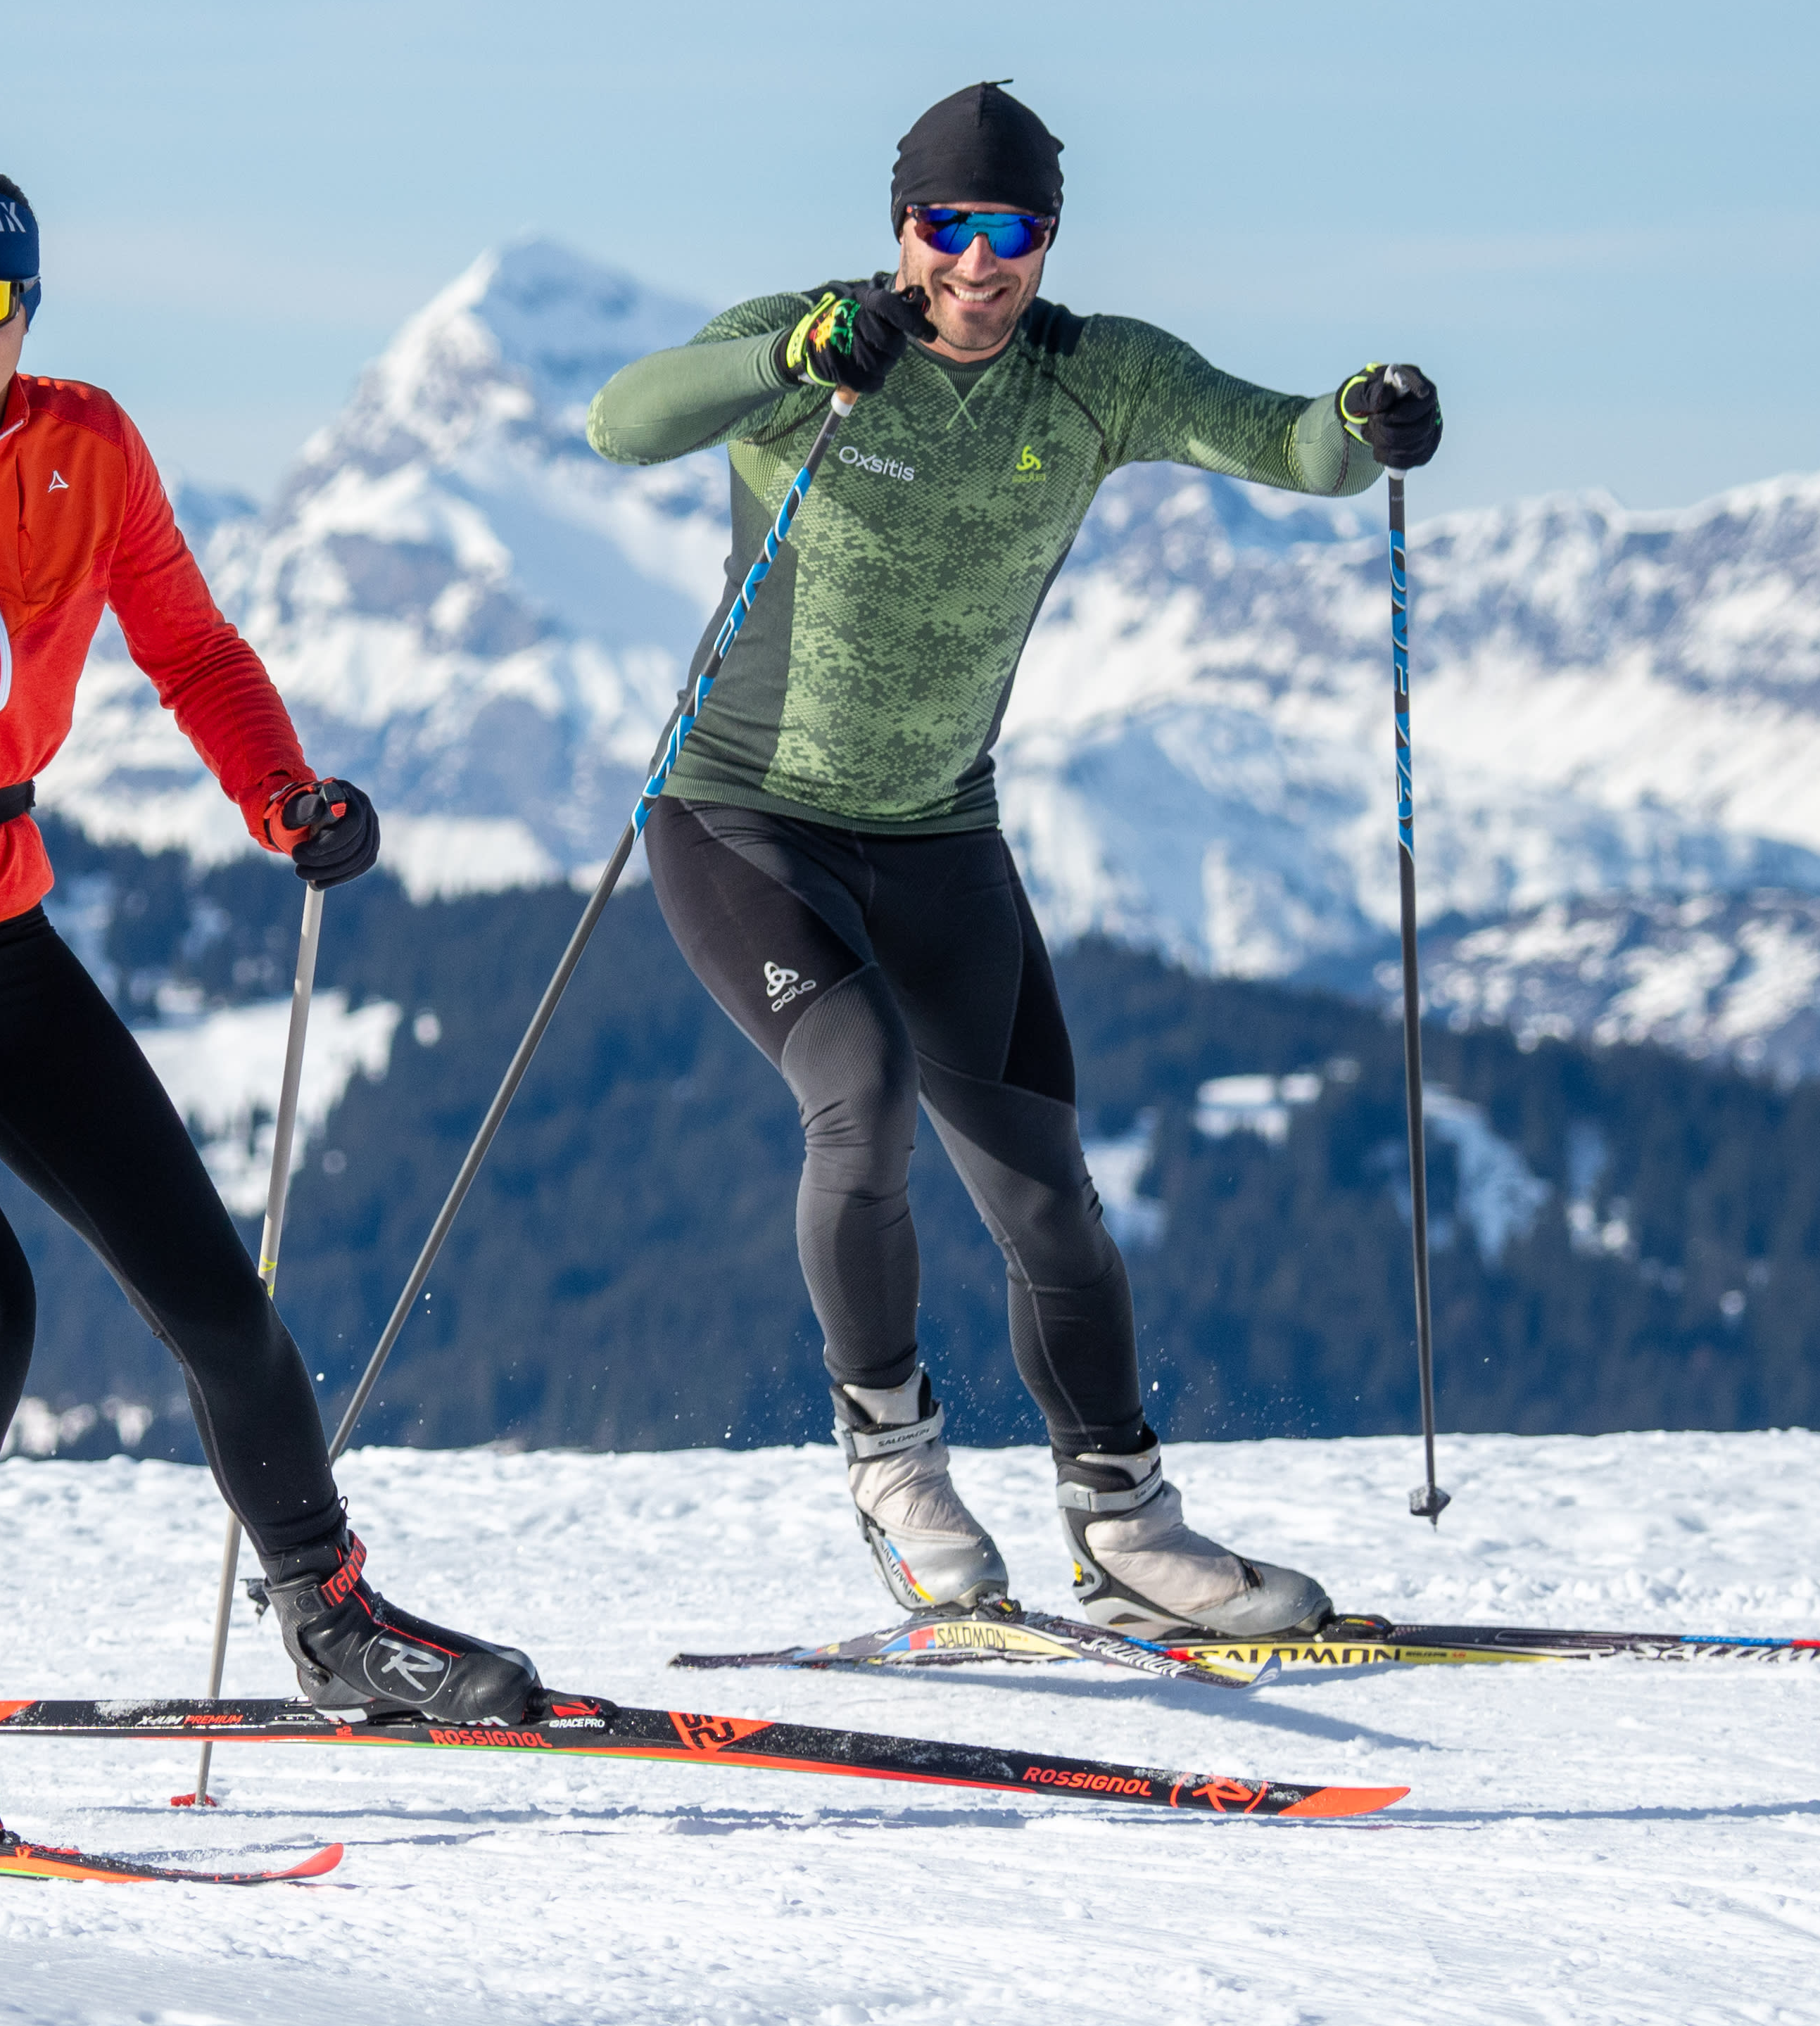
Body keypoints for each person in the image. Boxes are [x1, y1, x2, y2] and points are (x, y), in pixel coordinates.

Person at [0, 146, 539, 1837]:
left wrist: (285, 796)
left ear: (28, 305)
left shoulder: (89, 444)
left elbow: (188, 648)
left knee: (214, 1295)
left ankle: (333, 1622)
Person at [583, 82, 1443, 1640]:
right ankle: (895, 1469)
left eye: (1014, 230)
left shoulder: (1093, 374)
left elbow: (1293, 447)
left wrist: (1365, 415)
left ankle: (1125, 1530)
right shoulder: (815, 342)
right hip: (740, 816)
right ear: (900, 226)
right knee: (862, 1094)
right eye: (948, 225)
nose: (978, 262)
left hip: (941, 835)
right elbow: (622, 422)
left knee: (1050, 1202)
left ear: (1050, 239)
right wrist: (789, 359)